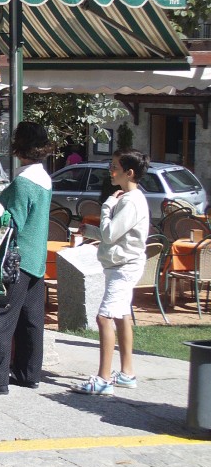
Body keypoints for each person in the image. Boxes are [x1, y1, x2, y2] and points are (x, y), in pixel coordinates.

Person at [0, 121, 55, 394]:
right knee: (31, 321)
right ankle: (28, 374)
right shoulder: (44, 178)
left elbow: (11, 222)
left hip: (15, 260)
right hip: (35, 260)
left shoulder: (24, 183)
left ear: (20, 147)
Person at [71, 149, 151, 395]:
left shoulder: (128, 201)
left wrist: (106, 206)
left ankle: (103, 379)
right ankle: (127, 373)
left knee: (104, 317)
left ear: (129, 173)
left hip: (123, 268)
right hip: (124, 264)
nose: (110, 171)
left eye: (114, 167)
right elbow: (116, 235)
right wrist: (89, 231)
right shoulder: (132, 199)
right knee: (121, 315)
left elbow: (109, 234)